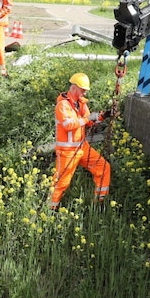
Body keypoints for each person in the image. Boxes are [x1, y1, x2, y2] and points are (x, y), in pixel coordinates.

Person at [49, 73, 111, 210]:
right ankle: (51, 209)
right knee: (61, 183)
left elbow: (89, 122)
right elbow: (68, 125)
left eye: (85, 91)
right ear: (74, 87)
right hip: (67, 152)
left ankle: (100, 201)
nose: (84, 93)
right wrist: (87, 119)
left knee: (104, 167)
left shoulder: (80, 103)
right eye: (82, 90)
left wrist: (102, 116)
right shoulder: (63, 105)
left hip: (82, 147)